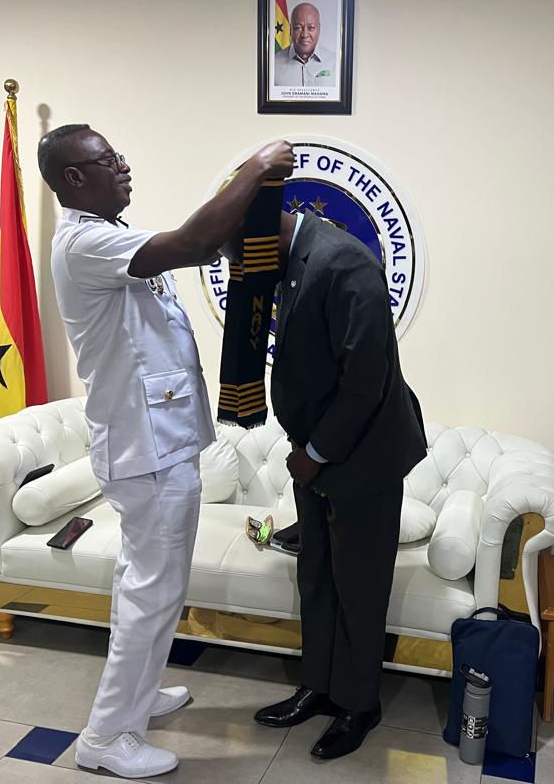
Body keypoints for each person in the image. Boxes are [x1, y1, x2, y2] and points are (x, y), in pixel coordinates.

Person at [37, 124, 293, 779]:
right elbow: (196, 241)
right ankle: (106, 737)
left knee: (151, 586)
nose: (122, 166)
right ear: (73, 178)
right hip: (144, 449)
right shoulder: (86, 241)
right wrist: (254, 167)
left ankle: (141, 697)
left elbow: (201, 246)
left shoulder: (114, 233)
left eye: (119, 155)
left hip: (162, 442)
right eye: (105, 161)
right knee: (152, 591)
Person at [240, 209, 427, 760]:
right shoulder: (294, 253)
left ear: (262, 228)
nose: (238, 265)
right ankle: (320, 686)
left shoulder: (344, 261)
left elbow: (365, 382)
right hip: (316, 453)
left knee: (359, 585)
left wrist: (316, 455)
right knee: (317, 574)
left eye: (237, 251)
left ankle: (358, 703)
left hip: (361, 455)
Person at [273, 2, 337, 87]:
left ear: (319, 29)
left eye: (311, 28)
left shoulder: (335, 62)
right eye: (298, 28)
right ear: (290, 30)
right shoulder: (273, 64)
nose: (304, 34)